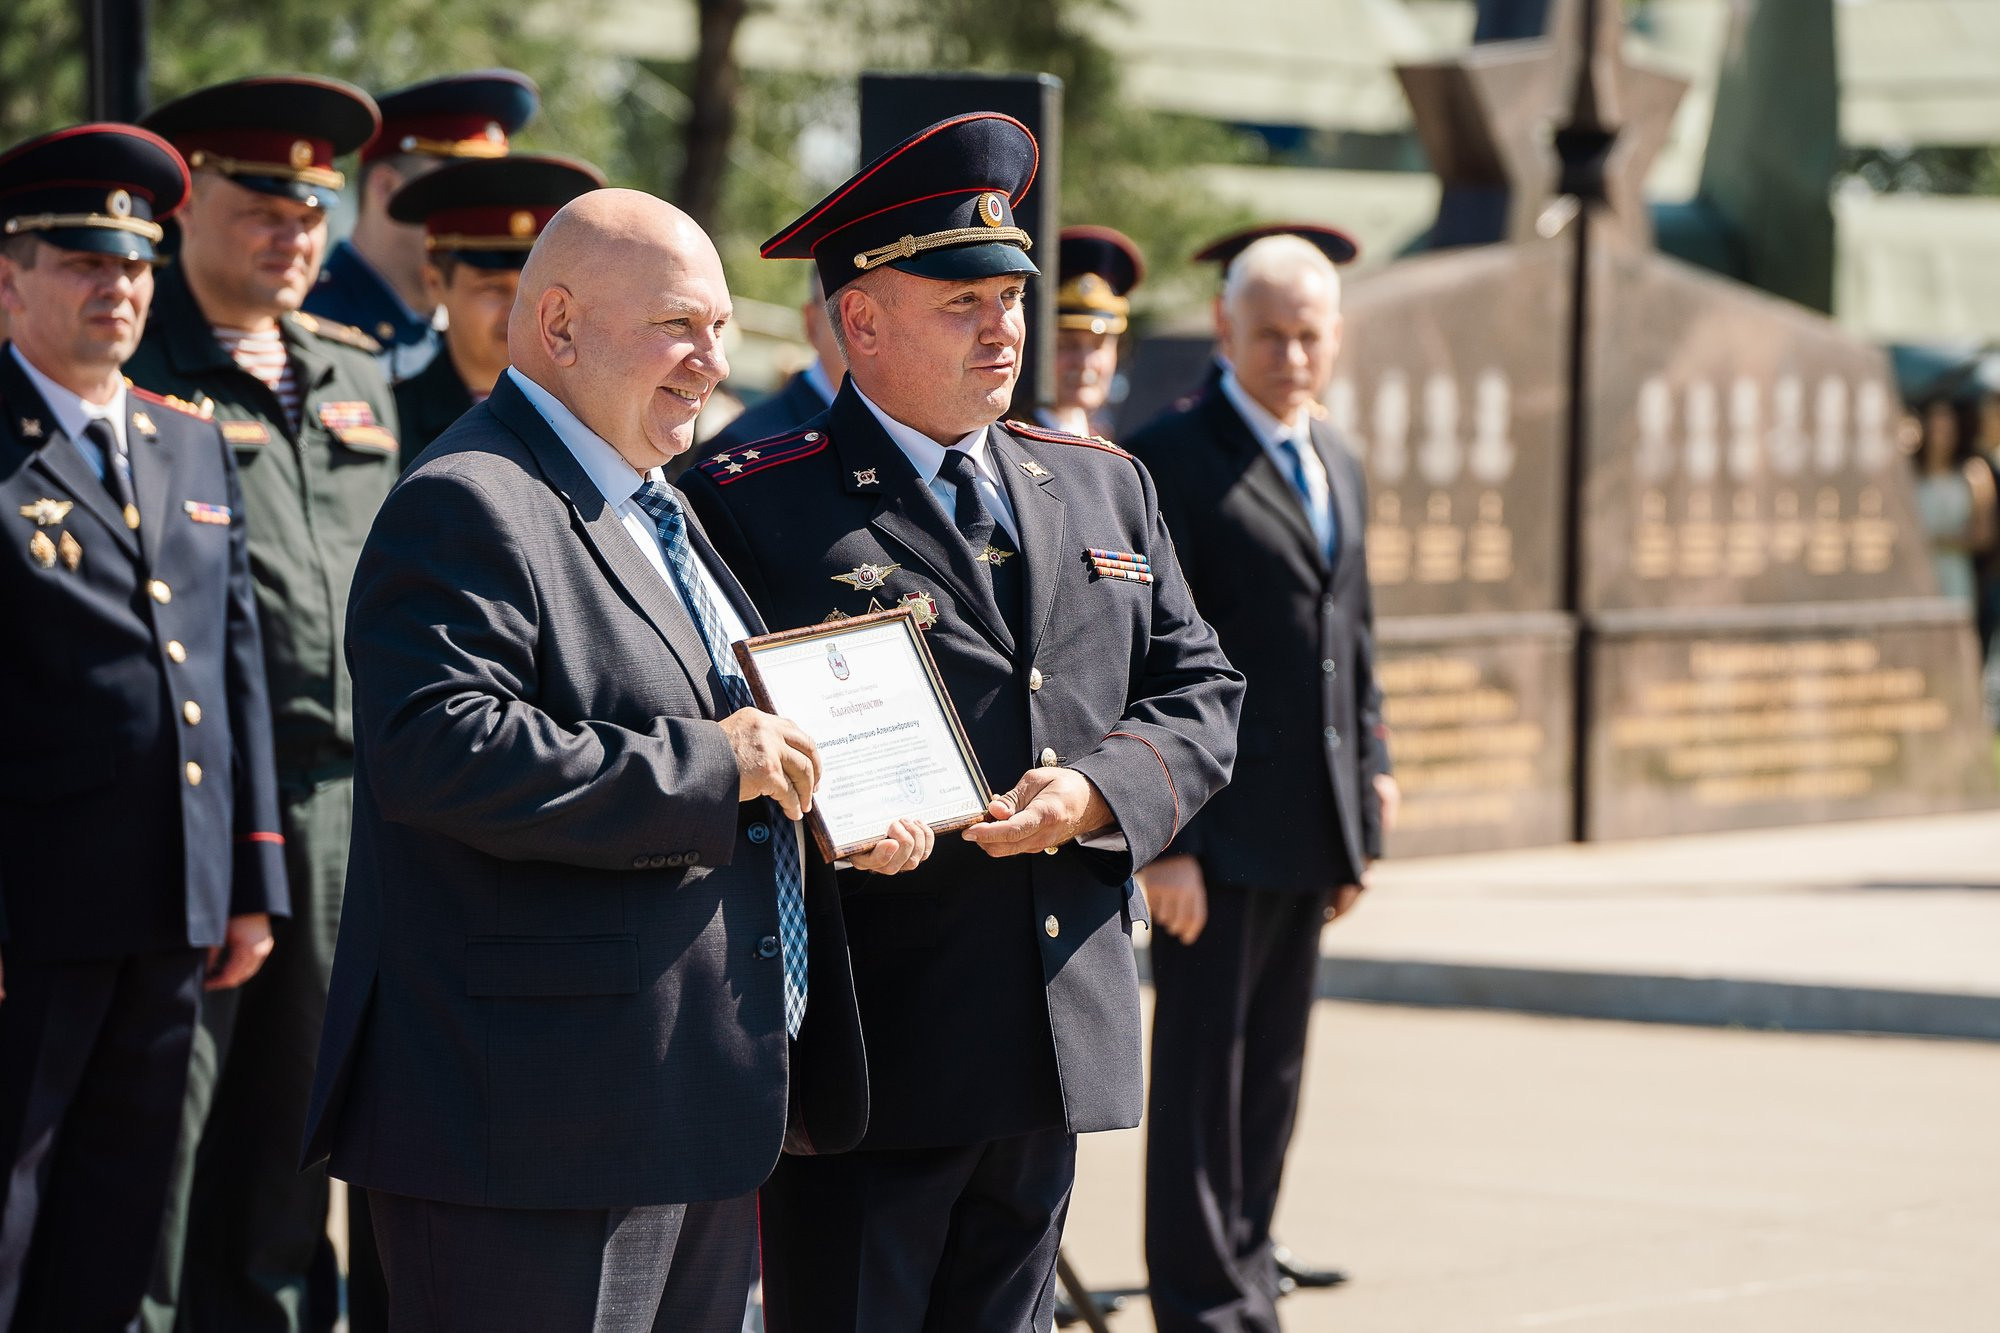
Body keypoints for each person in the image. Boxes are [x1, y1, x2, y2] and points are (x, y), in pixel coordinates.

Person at [303, 187, 932, 1331]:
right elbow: (440, 750)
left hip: (679, 1100)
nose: (710, 361)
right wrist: (715, 763)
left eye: (723, 331)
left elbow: (710, 742)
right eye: (679, 326)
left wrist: (824, 812)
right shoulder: (469, 501)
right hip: (536, 1133)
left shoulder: (652, 504)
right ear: (557, 326)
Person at [682, 112, 1245, 1333]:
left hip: (1052, 1026)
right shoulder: (747, 507)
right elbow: (706, 741)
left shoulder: (1099, 481)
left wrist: (1100, 793)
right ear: (860, 322)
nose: (1002, 326)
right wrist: (818, 821)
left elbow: (1201, 692)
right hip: (874, 1044)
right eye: (960, 301)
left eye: (1009, 295)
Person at [0, 122, 287, 1331]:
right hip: (34, 911)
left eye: (132, 265)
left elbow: (232, 663)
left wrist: (249, 876)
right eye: (80, 260)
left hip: (174, 903)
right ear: (6, 273)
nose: (115, 287)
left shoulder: (187, 437)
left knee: (123, 1222)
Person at [126, 75, 399, 1333]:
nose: (294, 231)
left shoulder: (352, 371)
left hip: (354, 804)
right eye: (262, 202)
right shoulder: (134, 354)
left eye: (314, 207)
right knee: (162, 1140)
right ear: (187, 199)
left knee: (301, 1138)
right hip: (196, 796)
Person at [1125, 225, 1397, 1333]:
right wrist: (1164, 838)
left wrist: (1371, 779)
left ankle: (1247, 1280)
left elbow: (1354, 634)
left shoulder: (1334, 455)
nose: (1291, 357)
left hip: (1307, 820)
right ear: (1224, 329)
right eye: (1270, 334)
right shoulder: (1167, 462)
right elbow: (1141, 660)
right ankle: (1198, 1304)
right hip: (1216, 831)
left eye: (1310, 336)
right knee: (1202, 1084)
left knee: (1273, 1075)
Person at [306, 69, 539, 382]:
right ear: (386, 188)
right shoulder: (312, 321)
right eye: (464, 193)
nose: (483, 216)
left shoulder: (468, 333)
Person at [387, 152, 606, 459]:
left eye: (538, 289)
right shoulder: (389, 422)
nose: (522, 310)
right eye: (493, 288)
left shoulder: (600, 420)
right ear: (435, 284)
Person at [685, 268, 847, 473]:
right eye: (848, 309)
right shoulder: (741, 449)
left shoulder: (891, 430)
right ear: (812, 323)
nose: (866, 325)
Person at [1039, 225, 1143, 439]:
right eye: (1065, 344)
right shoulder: (1004, 445)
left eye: (1098, 344)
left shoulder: (1099, 441)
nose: (1084, 362)